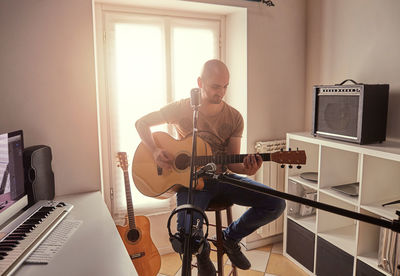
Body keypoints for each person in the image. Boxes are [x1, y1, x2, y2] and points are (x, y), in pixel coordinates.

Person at [135, 59, 286, 275]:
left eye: (225, 86)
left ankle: (229, 238)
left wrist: (248, 169)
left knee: (276, 203)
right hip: (190, 183)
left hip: (221, 179)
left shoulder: (234, 117)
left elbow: (233, 164)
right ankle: (202, 249)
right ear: (200, 82)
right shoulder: (182, 108)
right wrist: (155, 150)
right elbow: (141, 123)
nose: (222, 92)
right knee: (186, 234)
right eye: (216, 86)